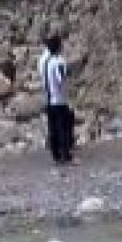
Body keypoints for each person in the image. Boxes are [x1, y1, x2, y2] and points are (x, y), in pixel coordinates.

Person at [37, 34, 75, 165]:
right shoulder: (59, 62)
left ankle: (56, 154)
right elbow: (61, 80)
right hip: (59, 99)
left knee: (52, 128)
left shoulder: (45, 61)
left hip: (48, 98)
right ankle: (65, 153)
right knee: (63, 127)